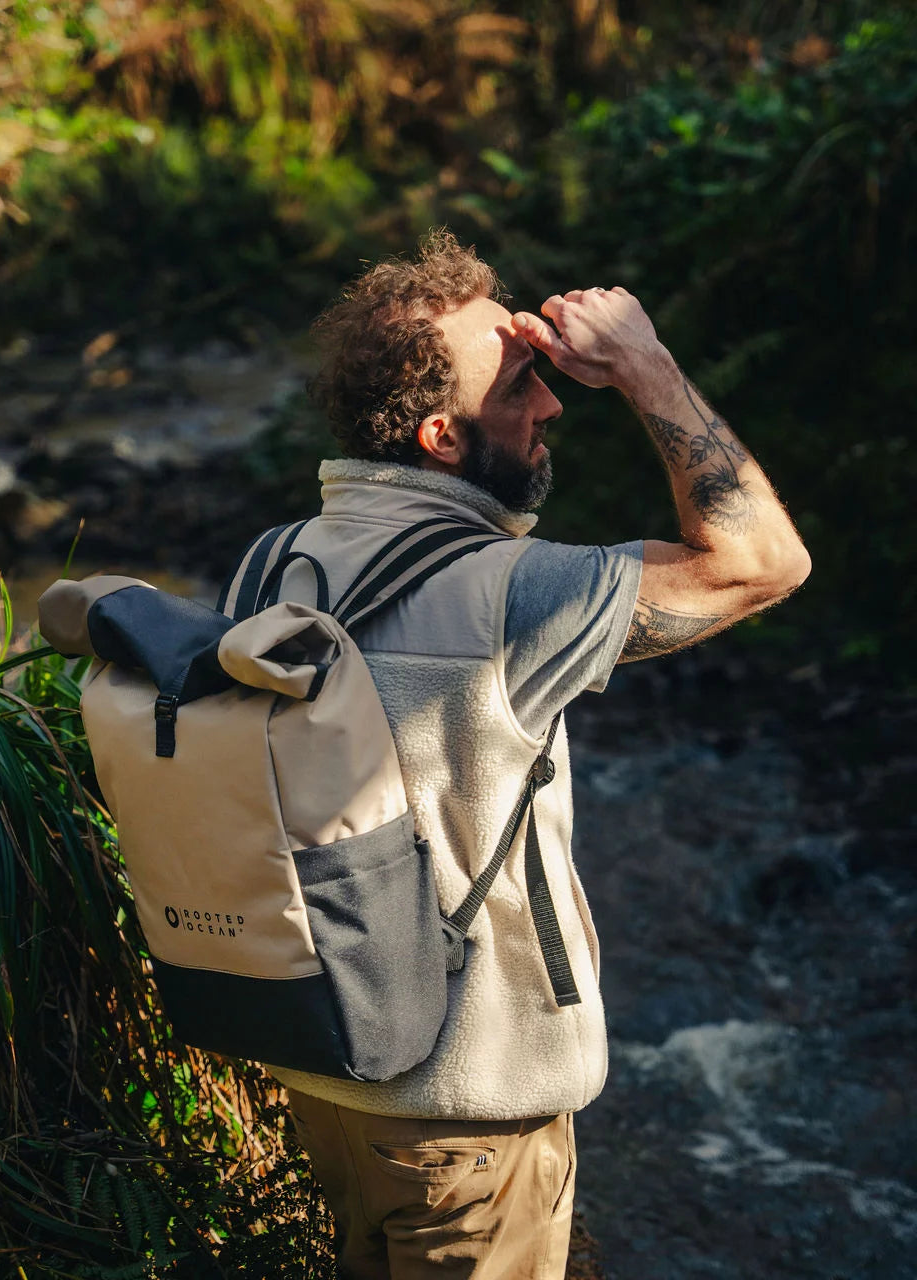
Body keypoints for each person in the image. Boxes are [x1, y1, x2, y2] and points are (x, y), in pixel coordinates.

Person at [263, 231, 810, 1279]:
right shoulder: (508, 596)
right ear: (438, 434)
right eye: (522, 385)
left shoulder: (273, 563)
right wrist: (646, 363)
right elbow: (763, 562)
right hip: (470, 1123)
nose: (553, 404)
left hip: (327, 1089)